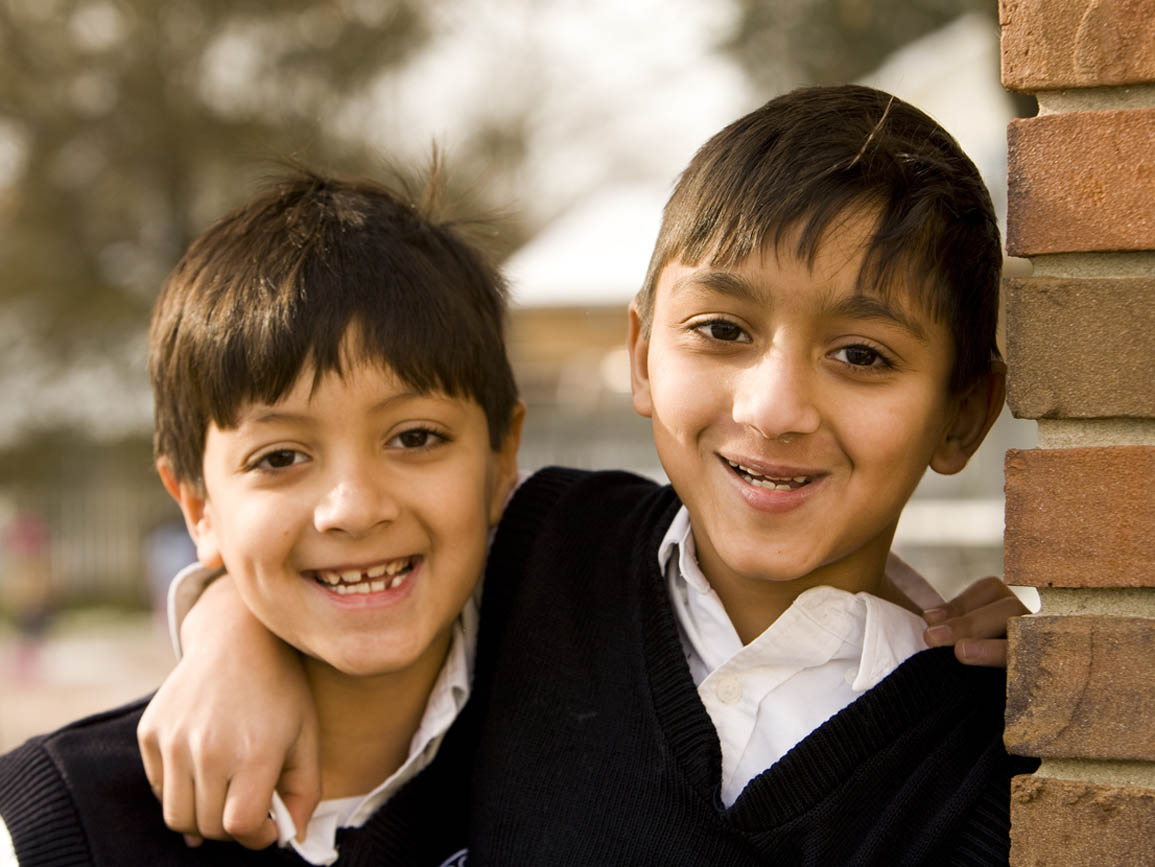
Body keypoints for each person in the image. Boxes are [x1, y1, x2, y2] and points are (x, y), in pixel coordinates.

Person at [135, 85, 1034, 865]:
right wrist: (228, 632)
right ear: (641, 354)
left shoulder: (990, 756)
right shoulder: (550, 553)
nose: (772, 408)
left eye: (861, 354)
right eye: (721, 330)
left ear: (963, 410)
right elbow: (359, 550)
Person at [0, 166, 523, 866]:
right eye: (279, 457)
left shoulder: (604, 723)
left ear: (500, 459)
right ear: (196, 504)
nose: (354, 507)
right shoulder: (63, 824)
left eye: (415, 437)